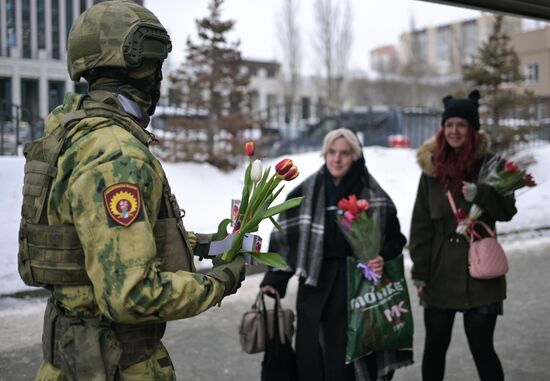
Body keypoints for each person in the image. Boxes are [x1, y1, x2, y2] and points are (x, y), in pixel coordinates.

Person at [16, 1, 245, 380]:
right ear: (143, 68)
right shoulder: (116, 153)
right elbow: (133, 295)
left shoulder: (67, 136)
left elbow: (93, 242)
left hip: (69, 365)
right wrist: (221, 282)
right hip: (120, 367)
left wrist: (204, 245)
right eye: (157, 68)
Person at [260, 128, 412, 381]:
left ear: (355, 156)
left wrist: (381, 256)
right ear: (325, 154)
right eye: (331, 152)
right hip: (314, 285)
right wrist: (275, 281)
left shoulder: (372, 194)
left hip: (355, 289)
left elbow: (396, 239)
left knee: (346, 362)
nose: (337, 159)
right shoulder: (305, 192)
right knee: (311, 357)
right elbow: (285, 241)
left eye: (344, 153)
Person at [409, 90, 517, 381]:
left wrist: (480, 192)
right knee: (435, 347)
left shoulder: (492, 166)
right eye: (449, 125)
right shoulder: (431, 171)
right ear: (443, 129)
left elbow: (508, 210)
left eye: (461, 125)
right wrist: (420, 272)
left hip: (481, 271)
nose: (454, 131)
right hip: (439, 271)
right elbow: (420, 226)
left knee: (482, 348)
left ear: (472, 130)